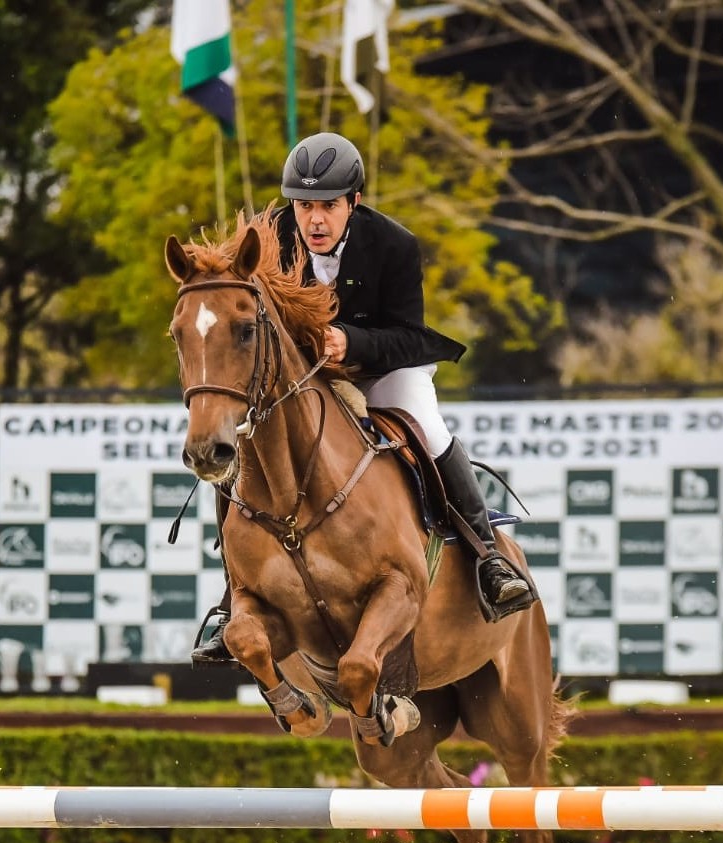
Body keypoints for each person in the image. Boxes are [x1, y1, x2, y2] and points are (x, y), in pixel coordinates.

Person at [191, 131, 535, 666]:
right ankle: (229, 595)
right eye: (304, 206)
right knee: (248, 448)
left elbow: (410, 335)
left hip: (385, 369)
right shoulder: (274, 238)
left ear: (353, 202)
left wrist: (354, 342)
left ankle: (487, 557)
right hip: (307, 376)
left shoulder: (394, 245)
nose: (315, 221)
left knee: (427, 427)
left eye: (328, 206)